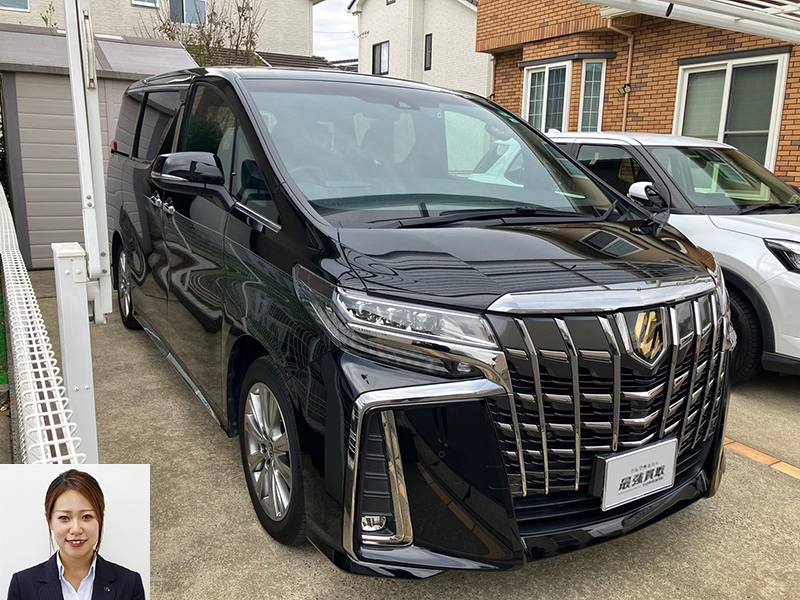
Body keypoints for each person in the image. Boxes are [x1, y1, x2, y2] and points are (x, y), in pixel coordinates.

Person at [7, 470, 145, 600]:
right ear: (49, 521)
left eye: (86, 516)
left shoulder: (130, 584)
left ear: (100, 518)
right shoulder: (22, 585)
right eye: (64, 518)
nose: (76, 529)